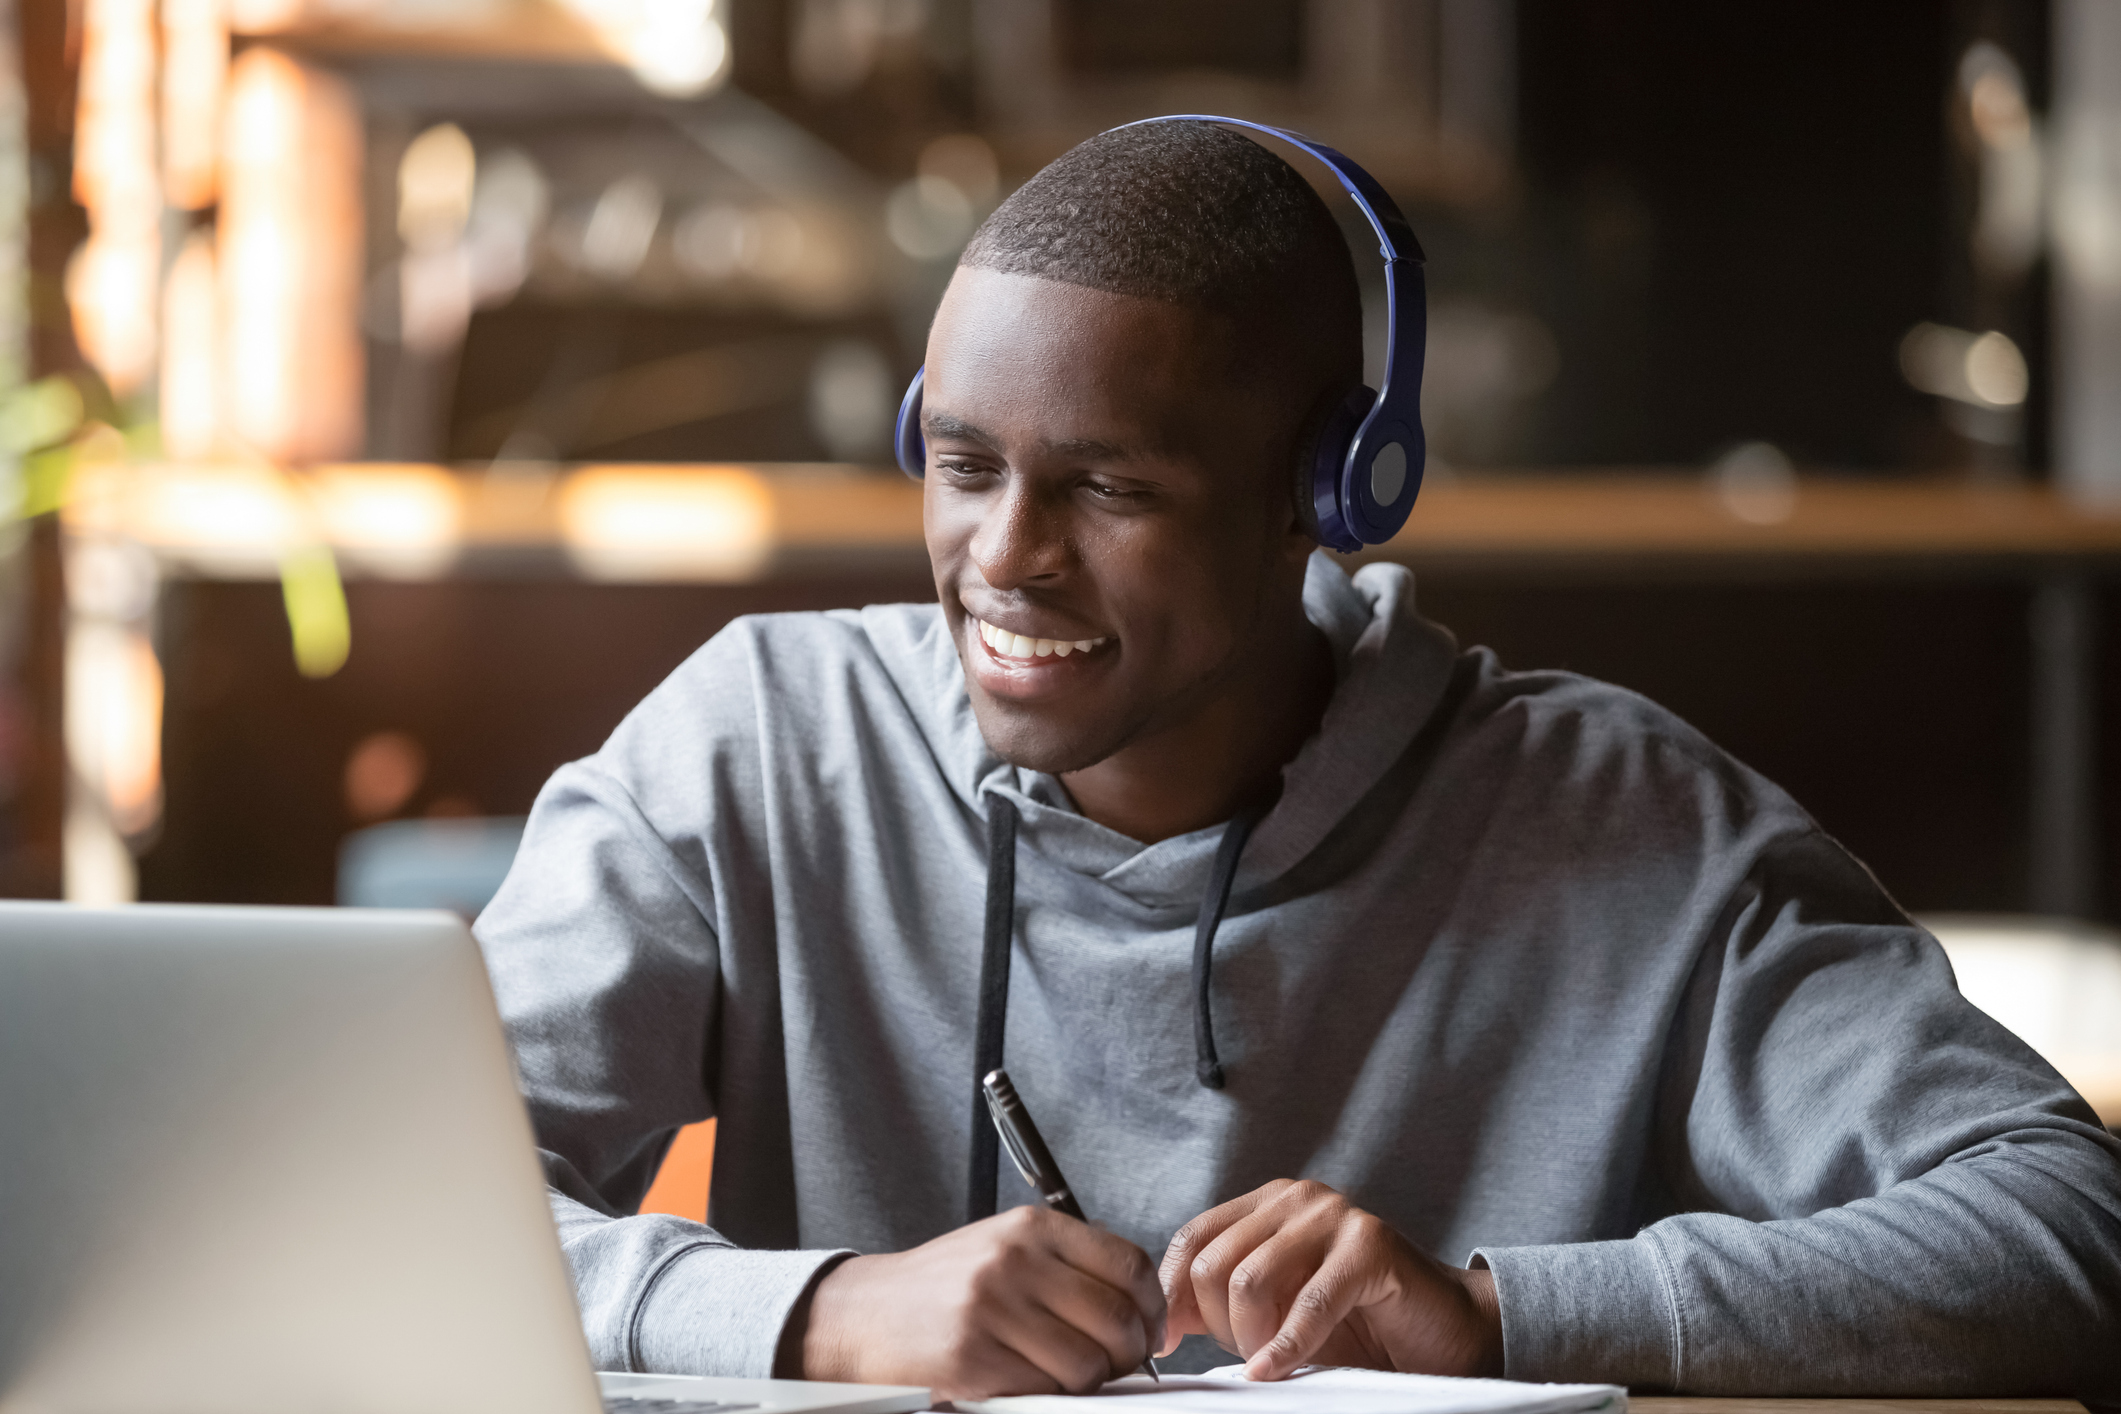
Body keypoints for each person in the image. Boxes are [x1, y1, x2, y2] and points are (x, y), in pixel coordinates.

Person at [474, 121, 2121, 1402]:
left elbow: (2065, 1226)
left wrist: (1494, 1313)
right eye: (963, 466)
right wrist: (822, 1309)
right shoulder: (757, 746)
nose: (1004, 557)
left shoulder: (1619, 823)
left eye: (1107, 490)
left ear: (1324, 497)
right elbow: (375, 1217)